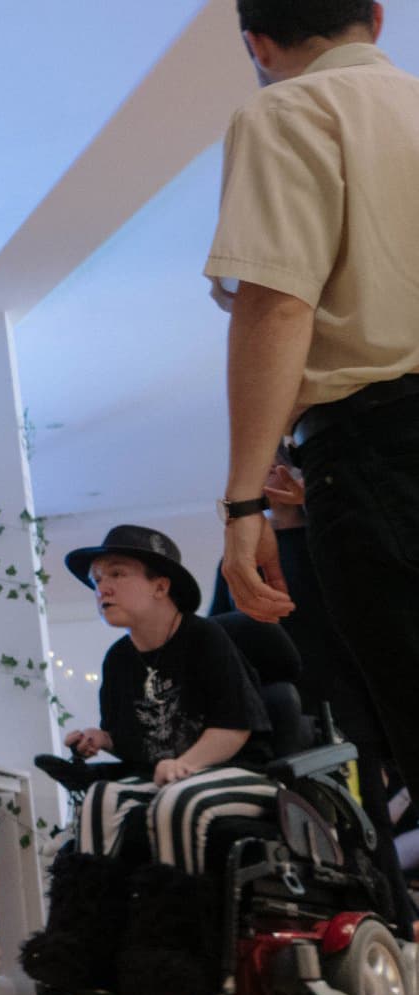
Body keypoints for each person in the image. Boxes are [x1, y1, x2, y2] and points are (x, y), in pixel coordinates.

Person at [211, 1, 419, 942]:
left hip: (382, 453)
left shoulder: (287, 111)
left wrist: (244, 500)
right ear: (375, 16)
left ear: (258, 45)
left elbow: (278, 304)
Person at [20, 526, 274, 995]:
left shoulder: (206, 638)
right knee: (99, 798)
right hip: (166, 778)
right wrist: (101, 739)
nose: (103, 588)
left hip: (242, 772)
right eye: (97, 579)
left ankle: (178, 958)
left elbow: (233, 728)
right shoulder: (119, 659)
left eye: (117, 574)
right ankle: (87, 949)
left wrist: (186, 764)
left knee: (178, 803)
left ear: (161, 586)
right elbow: (136, 740)